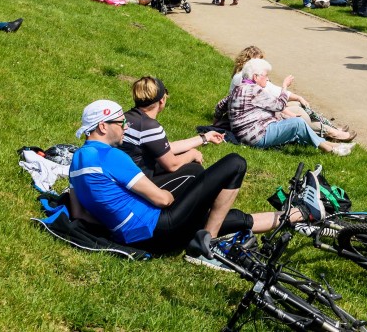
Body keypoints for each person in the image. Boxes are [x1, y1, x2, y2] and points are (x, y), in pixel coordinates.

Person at [69, 99, 278, 263]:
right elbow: (162, 200)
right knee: (235, 163)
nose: (126, 126)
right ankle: (208, 247)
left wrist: (116, 222)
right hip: (158, 230)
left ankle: (296, 216)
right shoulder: (111, 156)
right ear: (103, 126)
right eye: (121, 122)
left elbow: (80, 214)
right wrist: (174, 197)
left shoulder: (76, 162)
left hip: (131, 236)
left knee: (211, 215)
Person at [228, 59, 356, 155]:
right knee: (298, 123)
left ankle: (333, 145)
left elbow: (221, 105)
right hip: (256, 137)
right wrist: (284, 86)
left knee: (296, 127)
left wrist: (218, 120)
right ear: (256, 77)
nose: (267, 79)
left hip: (247, 134)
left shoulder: (239, 88)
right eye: (266, 76)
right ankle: (330, 150)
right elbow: (279, 105)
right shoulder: (254, 90)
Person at [120, 76, 224, 194]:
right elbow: (172, 165)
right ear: (162, 100)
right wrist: (193, 153)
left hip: (125, 179)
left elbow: (168, 148)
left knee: (181, 156)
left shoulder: (128, 117)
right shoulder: (149, 127)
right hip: (136, 189)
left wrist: (206, 137)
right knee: (194, 169)